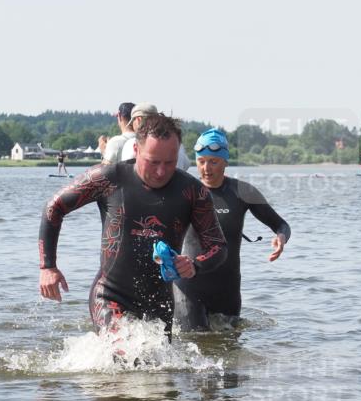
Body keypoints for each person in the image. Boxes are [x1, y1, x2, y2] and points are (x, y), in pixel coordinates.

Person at [38, 113, 227, 337]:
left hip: (160, 303)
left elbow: (218, 246)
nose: (161, 171)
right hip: (110, 296)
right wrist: (48, 266)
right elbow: (53, 207)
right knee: (126, 354)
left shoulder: (192, 191)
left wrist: (195, 264)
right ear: (136, 150)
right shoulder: (108, 179)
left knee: (158, 370)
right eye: (153, 161)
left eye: (170, 162)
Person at [174, 128, 291, 332]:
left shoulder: (242, 192)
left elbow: (281, 224)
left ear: (225, 161)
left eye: (213, 161)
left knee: (230, 355)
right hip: (190, 287)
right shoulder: (186, 192)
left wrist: (281, 237)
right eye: (201, 161)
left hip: (227, 290)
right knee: (195, 344)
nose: (206, 168)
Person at [120, 102, 191, 171]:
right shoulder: (177, 143)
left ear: (138, 120)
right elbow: (187, 164)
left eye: (133, 122)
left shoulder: (131, 144)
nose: (132, 126)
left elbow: (126, 170)